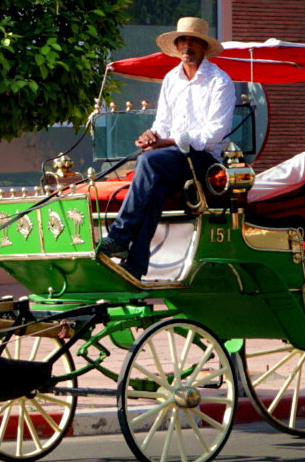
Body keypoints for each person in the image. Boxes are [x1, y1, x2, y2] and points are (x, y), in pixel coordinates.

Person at [97, 16, 237, 277]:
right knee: (156, 188)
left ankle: (119, 234)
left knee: (149, 161)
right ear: (177, 46)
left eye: (193, 41)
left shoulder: (220, 82)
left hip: (206, 161)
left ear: (204, 47)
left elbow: (214, 133)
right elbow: (162, 123)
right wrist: (151, 136)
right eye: (182, 41)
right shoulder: (172, 79)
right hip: (173, 158)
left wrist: (168, 141)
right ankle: (136, 266)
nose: (187, 46)